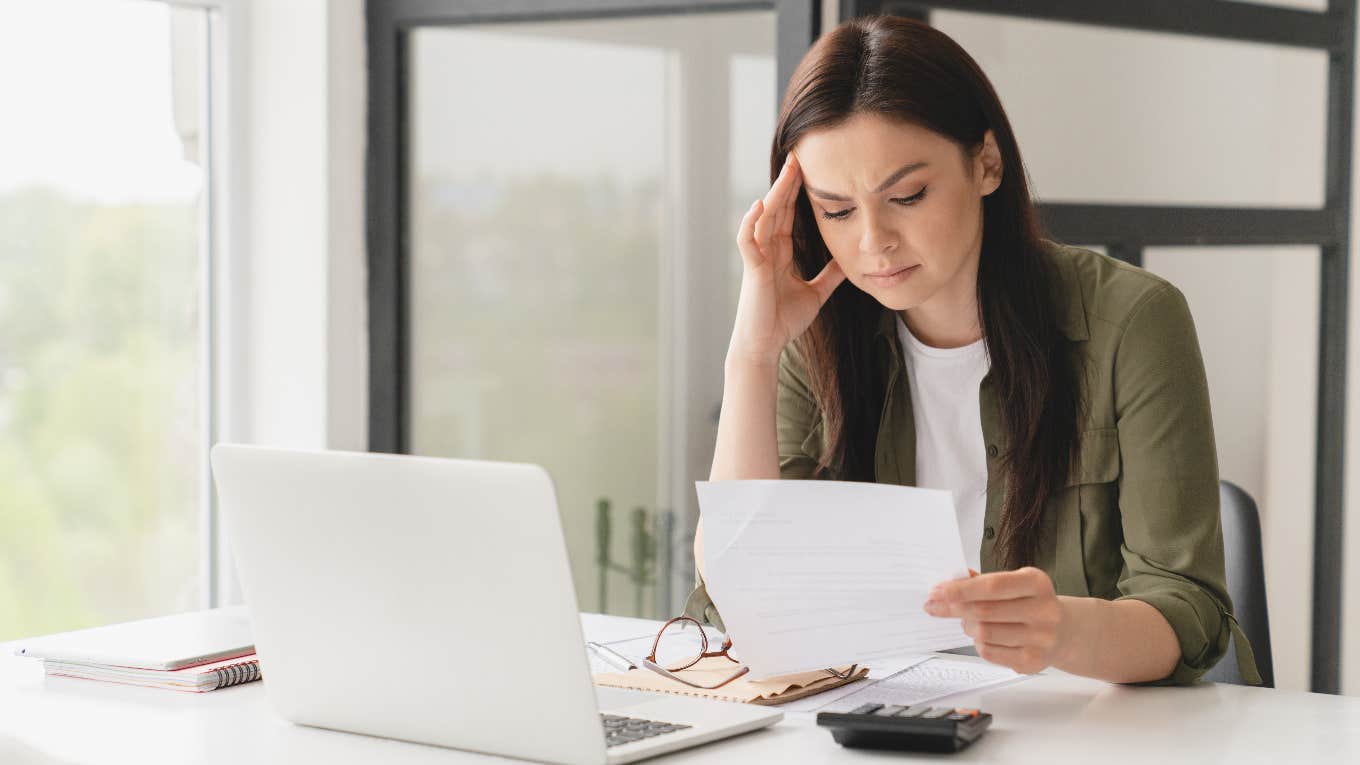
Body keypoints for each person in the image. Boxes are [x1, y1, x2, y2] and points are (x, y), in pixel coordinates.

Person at [683, 14, 1259, 686]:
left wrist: (1063, 629)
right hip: (894, 721)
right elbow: (737, 589)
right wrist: (752, 354)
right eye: (836, 209)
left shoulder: (1131, 320)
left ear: (986, 162)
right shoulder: (817, 335)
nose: (874, 241)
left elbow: (1190, 609)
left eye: (906, 195)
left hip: (1100, 729)